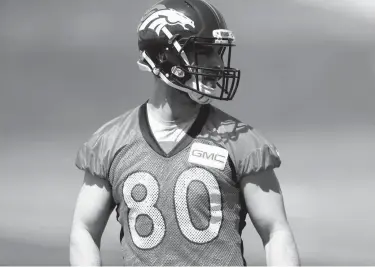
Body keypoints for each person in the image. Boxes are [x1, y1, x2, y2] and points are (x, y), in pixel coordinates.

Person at [70, 0, 300, 266]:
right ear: (166, 56)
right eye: (205, 52)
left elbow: (276, 232)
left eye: (218, 52)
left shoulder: (242, 142)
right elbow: (84, 230)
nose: (217, 63)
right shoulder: (109, 144)